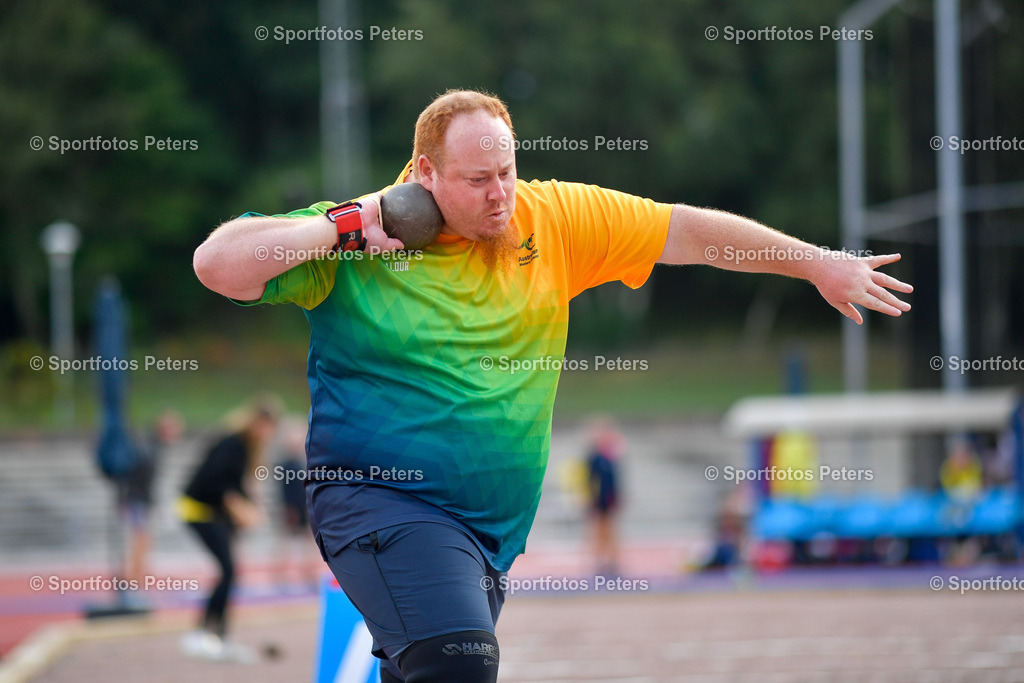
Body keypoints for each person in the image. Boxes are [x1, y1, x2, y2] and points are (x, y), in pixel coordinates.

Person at [193, 89, 913, 682]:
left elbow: (686, 232)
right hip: (377, 494)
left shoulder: (552, 217)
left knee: (426, 666)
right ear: (423, 173)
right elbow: (218, 266)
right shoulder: (358, 239)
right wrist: (345, 225)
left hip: (488, 533)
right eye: (477, 181)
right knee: (458, 661)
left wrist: (817, 262)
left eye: (506, 170)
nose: (501, 194)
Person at [177, 395, 280, 662]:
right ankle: (207, 633)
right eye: (268, 425)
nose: (269, 432)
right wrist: (239, 508)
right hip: (199, 510)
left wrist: (249, 506)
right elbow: (216, 482)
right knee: (229, 569)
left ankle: (217, 633)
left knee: (230, 571)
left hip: (214, 514)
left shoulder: (244, 447)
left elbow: (234, 486)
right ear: (256, 421)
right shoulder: (233, 443)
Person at [119, 409, 184, 602]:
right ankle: (132, 584)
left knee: (143, 543)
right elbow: (140, 479)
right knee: (140, 543)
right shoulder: (150, 449)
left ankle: (135, 583)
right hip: (138, 502)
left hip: (139, 502)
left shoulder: (154, 447)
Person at [585, 419, 624, 575]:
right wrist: (589, 498)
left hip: (608, 500)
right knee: (598, 531)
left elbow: (615, 481)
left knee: (610, 530)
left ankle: (612, 560)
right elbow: (589, 480)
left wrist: (617, 496)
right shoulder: (594, 458)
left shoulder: (610, 457)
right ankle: (600, 560)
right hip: (598, 500)